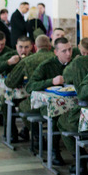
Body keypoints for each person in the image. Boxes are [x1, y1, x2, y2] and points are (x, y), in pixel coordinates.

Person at [26, 37, 74, 166]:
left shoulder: (75, 63)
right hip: (49, 105)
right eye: (64, 51)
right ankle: (54, 151)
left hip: (72, 103)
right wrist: (51, 81)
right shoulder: (47, 65)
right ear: (56, 52)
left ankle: (79, 155)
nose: (68, 54)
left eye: (70, 49)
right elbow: (30, 86)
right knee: (56, 116)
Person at [6, 35, 54, 144]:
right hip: (56, 101)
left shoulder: (28, 61)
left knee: (22, 106)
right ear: (49, 46)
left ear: (35, 47)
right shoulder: (58, 58)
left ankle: (37, 137)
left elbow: (10, 82)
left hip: (38, 102)